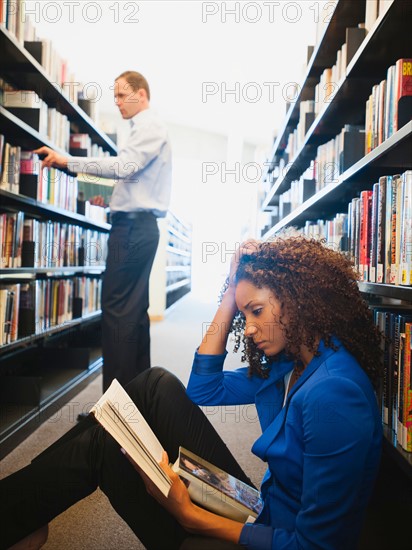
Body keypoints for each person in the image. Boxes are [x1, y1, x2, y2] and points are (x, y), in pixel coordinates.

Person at [0, 235, 383, 550]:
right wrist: (230, 295)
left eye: (257, 311)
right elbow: (203, 388)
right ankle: (18, 514)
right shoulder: (292, 362)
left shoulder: (334, 393)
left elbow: (315, 546)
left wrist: (192, 516)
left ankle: (13, 517)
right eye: (243, 313)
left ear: (299, 299)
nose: (247, 327)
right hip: (263, 510)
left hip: (275, 537)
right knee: (154, 385)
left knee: (107, 448)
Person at [34, 70, 172, 391]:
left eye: (123, 95)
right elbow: (131, 177)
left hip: (134, 231)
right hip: (136, 227)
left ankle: (116, 414)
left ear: (143, 94)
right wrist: (109, 197)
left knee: (117, 316)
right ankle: (136, 401)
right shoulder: (143, 130)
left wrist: (68, 162)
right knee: (134, 315)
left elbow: (123, 167)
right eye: (115, 97)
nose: (118, 102)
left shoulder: (149, 125)